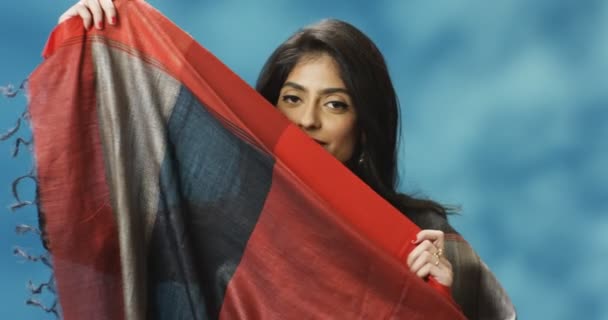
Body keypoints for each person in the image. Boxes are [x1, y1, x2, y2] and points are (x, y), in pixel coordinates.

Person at [58, 1, 516, 319]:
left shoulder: (419, 234)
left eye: (335, 105)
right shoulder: (215, 227)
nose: (307, 122)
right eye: (291, 99)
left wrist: (445, 304)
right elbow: (99, 245)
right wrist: (90, 41)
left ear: (364, 127)